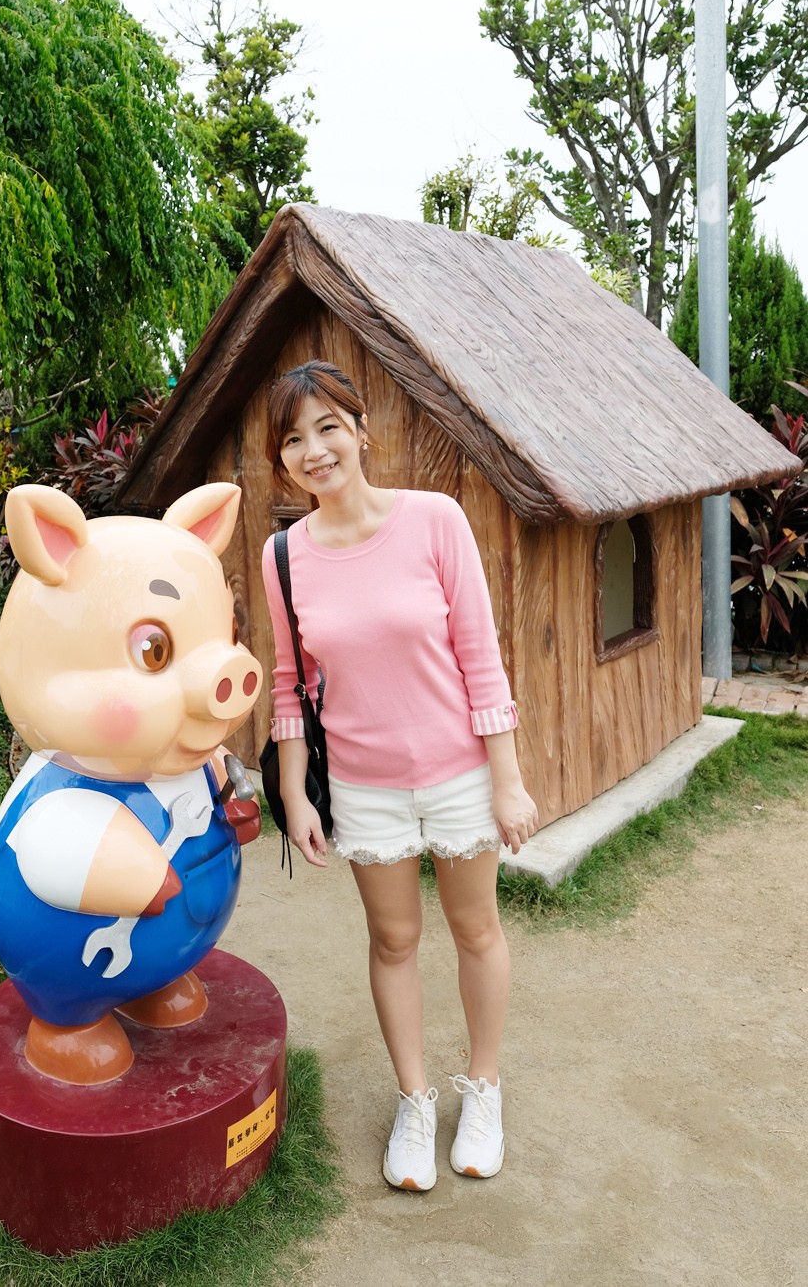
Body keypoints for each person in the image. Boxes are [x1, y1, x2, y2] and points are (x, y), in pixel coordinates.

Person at [261, 360, 539, 1193]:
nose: (314, 450)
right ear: (283, 462)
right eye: (294, 440)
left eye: (327, 428)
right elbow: (288, 683)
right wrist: (291, 791)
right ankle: (415, 1102)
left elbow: (480, 659)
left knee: (476, 930)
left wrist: (507, 779)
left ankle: (481, 1091)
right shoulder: (285, 558)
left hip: (457, 773)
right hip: (363, 787)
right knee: (393, 941)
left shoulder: (434, 521)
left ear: (361, 431)